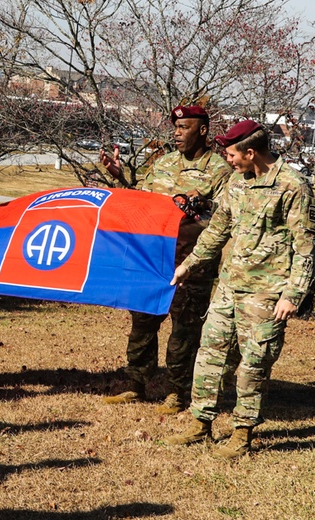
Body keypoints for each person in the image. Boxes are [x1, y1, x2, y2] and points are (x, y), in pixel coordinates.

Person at [166, 120, 315, 458]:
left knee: (253, 363)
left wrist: (294, 294)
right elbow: (217, 230)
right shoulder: (237, 182)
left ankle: (242, 432)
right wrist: (188, 265)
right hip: (230, 285)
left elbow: (306, 245)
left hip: (267, 294)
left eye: (232, 154)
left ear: (251, 152)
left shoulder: (292, 186)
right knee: (209, 355)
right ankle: (200, 422)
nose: (229, 160)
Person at [100, 105, 233, 414]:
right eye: (175, 127)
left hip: (192, 263)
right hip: (153, 259)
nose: (176, 132)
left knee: (184, 330)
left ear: (202, 131)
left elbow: (225, 218)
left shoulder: (219, 170)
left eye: (183, 127)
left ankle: (177, 391)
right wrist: (120, 179)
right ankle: (136, 383)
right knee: (142, 322)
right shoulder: (163, 164)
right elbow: (143, 203)